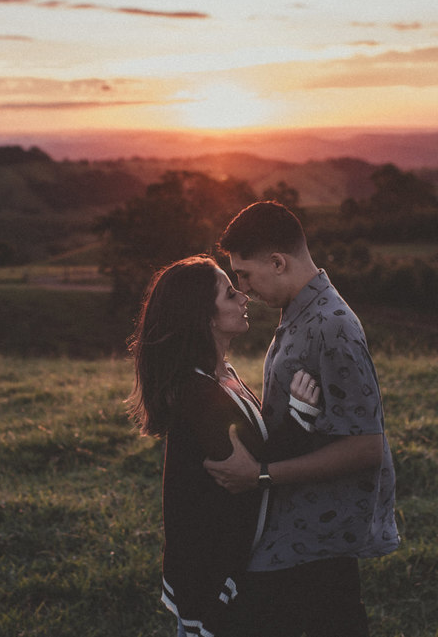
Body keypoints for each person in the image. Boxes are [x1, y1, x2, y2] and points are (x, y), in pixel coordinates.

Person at [204, 201, 400, 637]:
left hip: (318, 535)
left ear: (278, 262)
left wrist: (261, 476)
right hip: (299, 529)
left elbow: (367, 447)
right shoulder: (298, 315)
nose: (243, 287)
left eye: (245, 274)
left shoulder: (332, 326)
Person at [127, 255, 321, 637]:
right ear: (205, 316)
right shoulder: (197, 394)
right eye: (230, 294)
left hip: (226, 563)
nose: (243, 296)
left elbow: (255, 451)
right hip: (211, 574)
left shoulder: (221, 375)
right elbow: (248, 469)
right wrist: (300, 416)